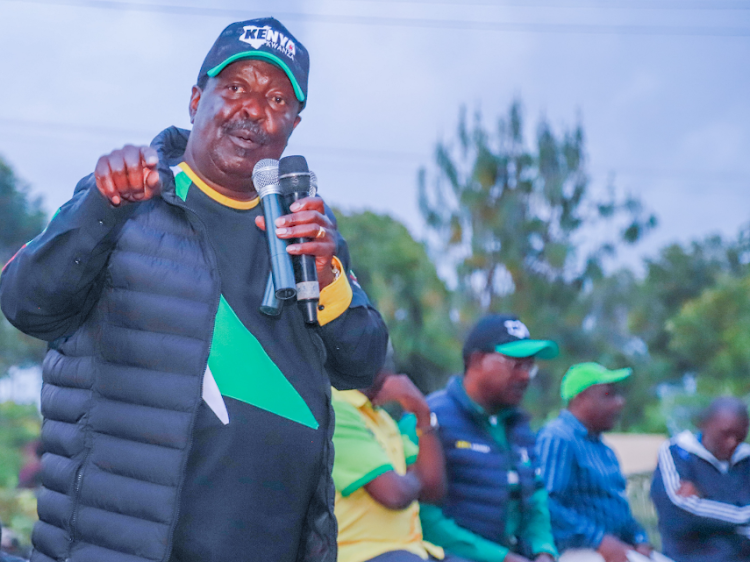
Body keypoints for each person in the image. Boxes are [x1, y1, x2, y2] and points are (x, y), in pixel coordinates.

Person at [0, 17, 388, 562]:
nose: (254, 109)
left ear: (293, 124)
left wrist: (328, 279)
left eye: (277, 99)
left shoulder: (306, 230)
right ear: (194, 98)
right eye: (235, 88)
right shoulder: (126, 195)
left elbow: (365, 367)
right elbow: (27, 306)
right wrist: (99, 209)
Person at [419, 314, 559, 562]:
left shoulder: (519, 426)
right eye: (515, 364)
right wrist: (502, 558)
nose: (526, 376)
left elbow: (536, 499)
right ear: (477, 361)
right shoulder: (429, 419)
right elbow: (424, 518)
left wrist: (544, 551)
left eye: (530, 365)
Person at [331, 353, 469, 562]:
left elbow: (433, 490)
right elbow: (394, 495)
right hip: (361, 553)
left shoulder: (382, 418)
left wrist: (422, 413)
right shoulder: (335, 407)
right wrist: (415, 479)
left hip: (412, 550)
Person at [536, 363, 669, 562]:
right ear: (580, 399)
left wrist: (639, 538)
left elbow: (618, 508)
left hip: (614, 547)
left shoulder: (603, 448)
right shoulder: (558, 437)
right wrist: (598, 540)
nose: (620, 403)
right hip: (575, 550)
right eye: (608, 395)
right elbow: (547, 503)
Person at [651, 396, 750, 562]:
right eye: (725, 434)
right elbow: (680, 509)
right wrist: (741, 514)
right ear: (703, 424)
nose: (732, 442)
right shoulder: (676, 453)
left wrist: (704, 497)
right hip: (690, 556)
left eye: (740, 436)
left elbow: (697, 509)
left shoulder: (745, 458)